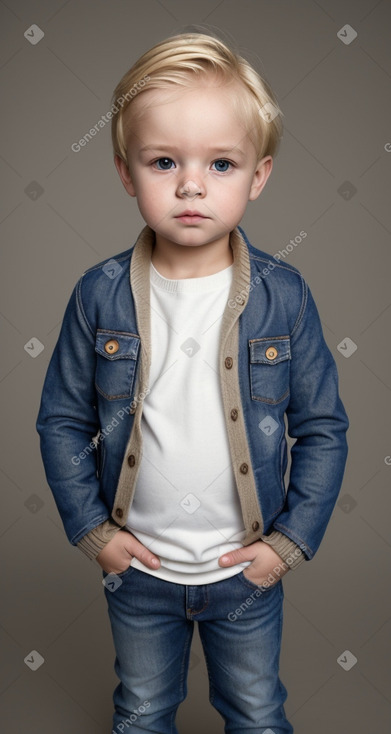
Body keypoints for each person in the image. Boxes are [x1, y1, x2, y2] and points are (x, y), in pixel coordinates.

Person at [36, 31, 349, 734]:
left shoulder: (284, 296)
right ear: (126, 172)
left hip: (245, 573)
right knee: (142, 711)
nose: (190, 184)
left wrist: (286, 545)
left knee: (257, 711)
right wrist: (93, 533)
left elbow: (323, 428)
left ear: (258, 176)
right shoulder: (99, 296)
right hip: (137, 571)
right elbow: (60, 421)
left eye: (220, 163)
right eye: (164, 161)